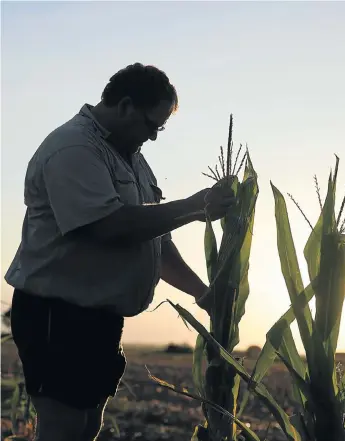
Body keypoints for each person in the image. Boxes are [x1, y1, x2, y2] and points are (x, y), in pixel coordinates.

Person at [4, 62, 235, 441]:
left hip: (99, 320)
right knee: (64, 428)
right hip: (57, 316)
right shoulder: (73, 148)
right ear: (126, 105)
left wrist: (203, 293)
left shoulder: (131, 156)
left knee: (87, 426)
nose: (155, 137)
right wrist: (192, 207)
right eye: (152, 125)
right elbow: (108, 226)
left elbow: (157, 243)